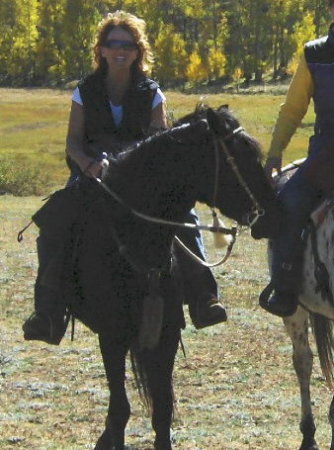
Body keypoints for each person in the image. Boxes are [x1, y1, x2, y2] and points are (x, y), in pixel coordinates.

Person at [22, 10, 226, 345]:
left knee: (185, 216)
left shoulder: (152, 93)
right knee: (54, 222)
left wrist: (136, 167)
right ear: (101, 50)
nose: (120, 50)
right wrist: (88, 164)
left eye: (128, 44)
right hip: (92, 178)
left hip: (141, 180)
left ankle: (204, 298)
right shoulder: (84, 91)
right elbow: (73, 142)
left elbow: (161, 143)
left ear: (138, 50)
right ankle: (47, 313)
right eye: (113, 43)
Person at [260, 0, 334, 317]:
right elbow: (292, 109)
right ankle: (286, 284)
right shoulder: (315, 53)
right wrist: (276, 151)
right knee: (289, 201)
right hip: (327, 154)